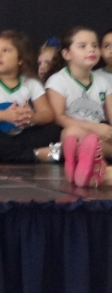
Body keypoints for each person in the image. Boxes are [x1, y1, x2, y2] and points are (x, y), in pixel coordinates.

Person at [0, 30, 61, 163]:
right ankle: (35, 154)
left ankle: (2, 153)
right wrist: (4, 115)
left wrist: (31, 117)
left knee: (53, 130)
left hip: (22, 134)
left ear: (20, 60)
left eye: (5, 50)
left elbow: (47, 114)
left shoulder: (31, 82)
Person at [46, 27, 112, 187]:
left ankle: (86, 166)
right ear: (67, 54)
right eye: (82, 46)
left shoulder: (103, 81)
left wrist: (105, 131)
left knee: (92, 140)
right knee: (71, 134)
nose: (91, 49)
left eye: (94, 45)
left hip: (101, 135)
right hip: (76, 133)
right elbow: (59, 117)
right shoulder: (57, 81)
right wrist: (94, 128)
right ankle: (89, 164)